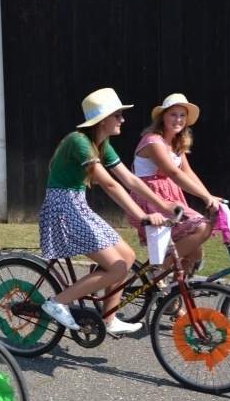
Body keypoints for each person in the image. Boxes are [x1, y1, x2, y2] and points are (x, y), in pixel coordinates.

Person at [38, 88, 180, 335]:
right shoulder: (79, 142)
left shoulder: (102, 145)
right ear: (103, 119)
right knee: (116, 266)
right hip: (62, 208)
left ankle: (109, 319)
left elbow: (131, 180)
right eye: (118, 115)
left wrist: (163, 205)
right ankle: (57, 302)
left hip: (77, 206)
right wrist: (144, 215)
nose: (122, 120)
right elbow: (110, 184)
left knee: (126, 257)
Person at [126, 93, 222, 276]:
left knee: (194, 254)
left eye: (182, 115)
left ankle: (173, 300)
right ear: (163, 117)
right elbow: (174, 173)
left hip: (169, 197)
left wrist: (209, 195)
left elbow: (187, 172)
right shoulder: (153, 141)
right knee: (203, 227)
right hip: (150, 197)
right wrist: (204, 197)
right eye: (173, 114)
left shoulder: (176, 142)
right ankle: (158, 269)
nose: (178, 119)